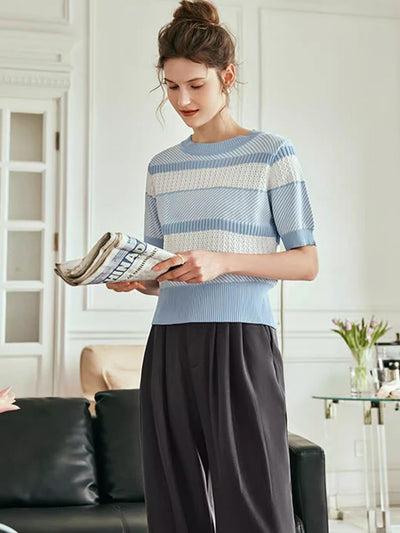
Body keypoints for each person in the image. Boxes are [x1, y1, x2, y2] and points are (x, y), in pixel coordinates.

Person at [106, 0, 319, 531]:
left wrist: (222, 261)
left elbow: (307, 262)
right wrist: (138, 279)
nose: (183, 100)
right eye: (172, 86)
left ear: (227, 76)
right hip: (169, 342)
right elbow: (165, 270)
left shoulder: (271, 154)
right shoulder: (162, 168)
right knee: (173, 498)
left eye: (196, 85)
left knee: (253, 498)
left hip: (242, 341)